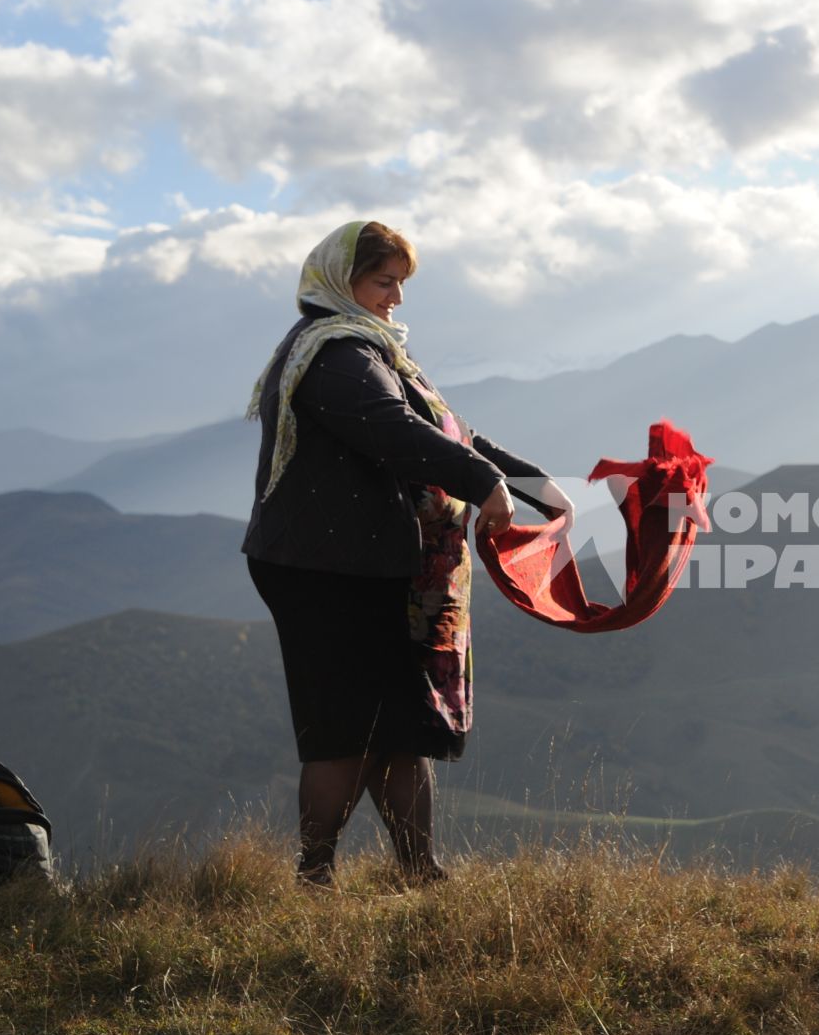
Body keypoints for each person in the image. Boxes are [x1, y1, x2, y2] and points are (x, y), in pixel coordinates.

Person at [241, 220, 571, 887]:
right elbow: (392, 431)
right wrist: (482, 484)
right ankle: (315, 877)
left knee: (399, 721)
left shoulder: (370, 350)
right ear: (342, 280)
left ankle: (421, 872)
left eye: (400, 283)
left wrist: (531, 483)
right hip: (324, 571)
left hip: (361, 564)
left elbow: (447, 429)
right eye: (382, 281)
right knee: (347, 726)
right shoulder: (335, 356)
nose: (395, 298)